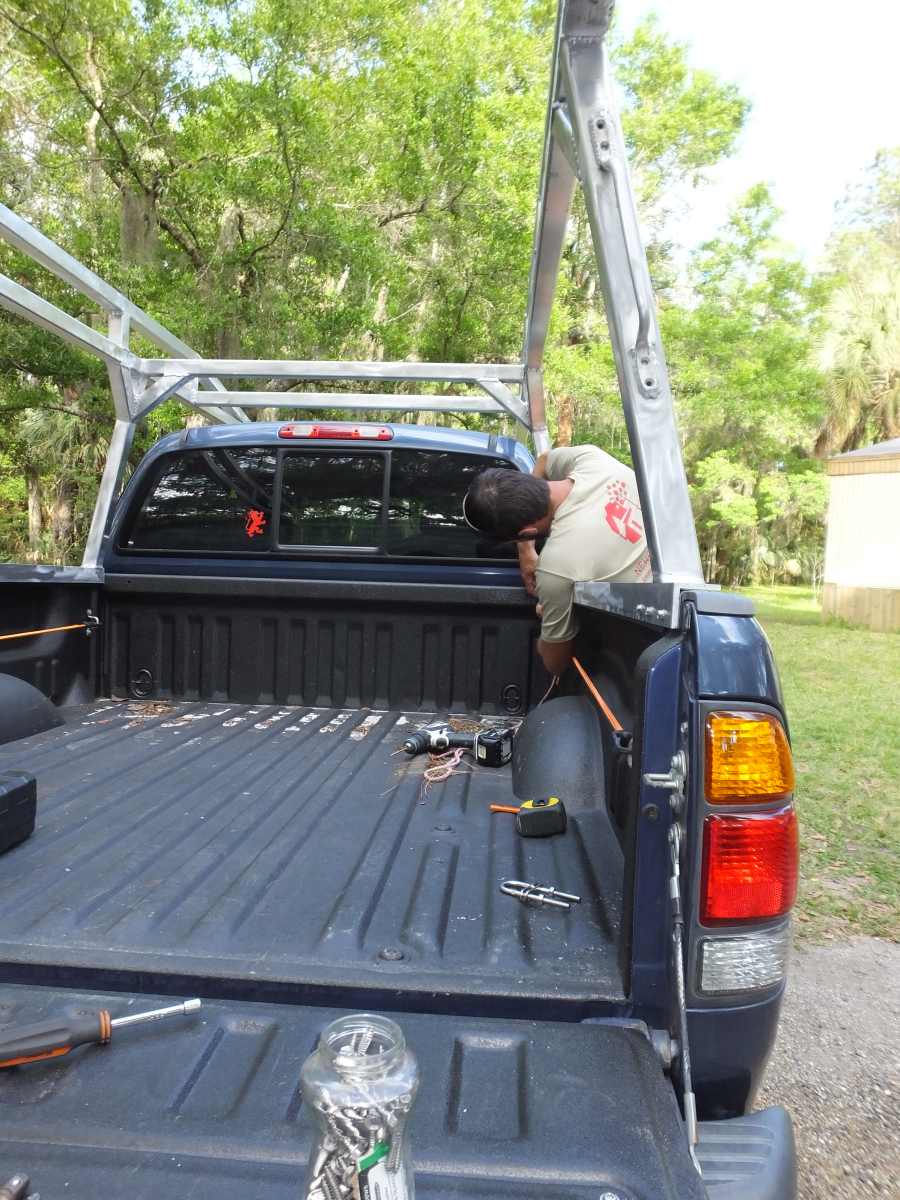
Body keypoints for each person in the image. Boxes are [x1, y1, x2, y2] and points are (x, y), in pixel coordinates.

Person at [463, 445, 651, 675]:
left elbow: (555, 664)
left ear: (526, 532)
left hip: (637, 643)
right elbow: (544, 459)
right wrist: (526, 550)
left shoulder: (556, 567)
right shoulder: (592, 459)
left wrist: (548, 614)